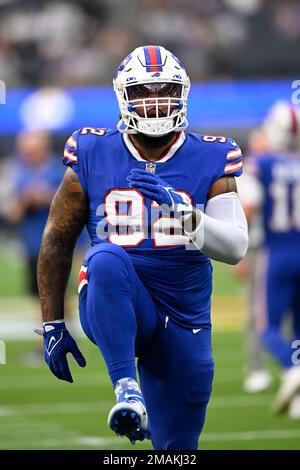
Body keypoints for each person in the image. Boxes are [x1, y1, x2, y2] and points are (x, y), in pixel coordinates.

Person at [36, 45, 248, 450]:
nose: (155, 101)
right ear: (123, 96)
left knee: (175, 449)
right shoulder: (91, 150)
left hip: (183, 318)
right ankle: (126, 388)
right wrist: (52, 323)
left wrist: (184, 213)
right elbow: (57, 240)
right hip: (117, 303)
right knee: (105, 257)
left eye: (164, 89)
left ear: (182, 92)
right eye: (143, 92)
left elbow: (236, 247)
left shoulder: (212, 154)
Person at [242, 101, 300, 417]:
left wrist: (238, 247)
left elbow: (249, 207)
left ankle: (292, 369)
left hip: (277, 253)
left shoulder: (261, 163)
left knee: (268, 327)